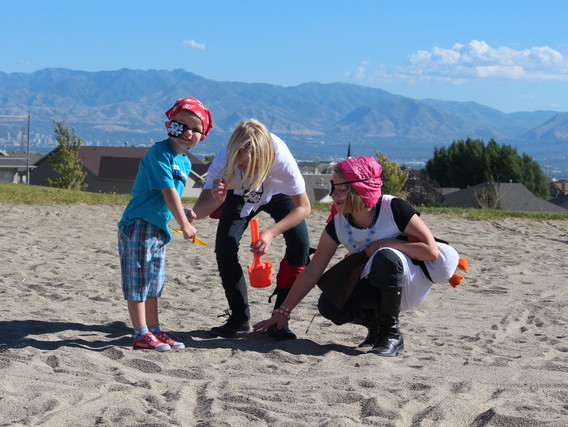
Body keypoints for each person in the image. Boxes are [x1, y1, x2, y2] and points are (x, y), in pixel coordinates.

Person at [253, 156, 461, 356]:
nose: (333, 194)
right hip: (376, 284)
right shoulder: (338, 223)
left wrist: (382, 244)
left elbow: (430, 250)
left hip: (411, 282)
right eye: (332, 188)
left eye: (341, 189)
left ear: (360, 189)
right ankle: (376, 327)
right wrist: (283, 312)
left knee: (385, 256)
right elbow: (313, 271)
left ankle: (391, 335)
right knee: (330, 304)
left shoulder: (393, 208)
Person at [190, 119, 311, 341]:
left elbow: (304, 207)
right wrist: (208, 205)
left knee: (300, 244)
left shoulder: (281, 160)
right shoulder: (225, 160)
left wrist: (271, 232)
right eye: (239, 164)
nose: (242, 168)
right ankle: (239, 317)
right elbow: (202, 208)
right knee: (225, 245)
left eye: (248, 165)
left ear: (265, 158)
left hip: (277, 194)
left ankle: (279, 319)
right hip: (239, 195)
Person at [118, 97, 213, 351]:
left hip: (158, 229)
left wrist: (184, 213)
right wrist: (184, 223)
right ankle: (140, 333)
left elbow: (171, 200)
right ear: (169, 124)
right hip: (139, 225)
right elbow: (167, 190)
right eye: (181, 125)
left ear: (202, 137)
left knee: (153, 283)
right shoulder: (158, 153)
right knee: (138, 280)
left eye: (195, 129)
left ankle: (154, 329)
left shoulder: (184, 160)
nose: (187, 133)